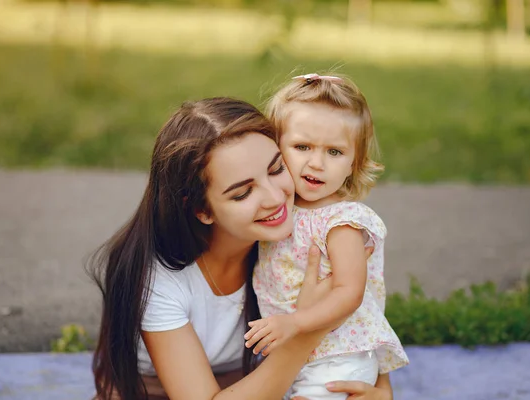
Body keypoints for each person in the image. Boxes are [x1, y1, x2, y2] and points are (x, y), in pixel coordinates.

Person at [89, 97, 392, 400]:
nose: (275, 198)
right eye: (243, 193)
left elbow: (356, 302)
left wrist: (381, 391)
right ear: (201, 209)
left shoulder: (297, 240)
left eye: (276, 169)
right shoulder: (160, 280)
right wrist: (309, 327)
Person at [245, 74, 409, 399]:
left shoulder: (340, 222)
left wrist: (295, 323)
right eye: (302, 146)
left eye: (334, 152)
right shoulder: (281, 210)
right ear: (275, 149)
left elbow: (350, 292)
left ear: (353, 163)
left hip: (337, 355)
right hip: (298, 351)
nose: (316, 163)